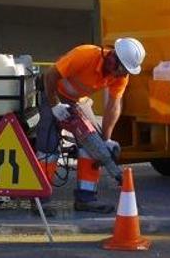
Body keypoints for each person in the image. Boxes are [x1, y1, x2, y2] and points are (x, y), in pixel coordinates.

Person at [35, 38, 146, 213]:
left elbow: (113, 106)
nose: (122, 74)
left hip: (78, 100)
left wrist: (107, 139)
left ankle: (85, 199)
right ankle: (41, 200)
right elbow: (50, 75)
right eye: (122, 68)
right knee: (48, 145)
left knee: (95, 145)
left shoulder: (121, 76)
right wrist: (55, 105)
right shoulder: (84, 55)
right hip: (53, 93)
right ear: (112, 57)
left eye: (126, 71)